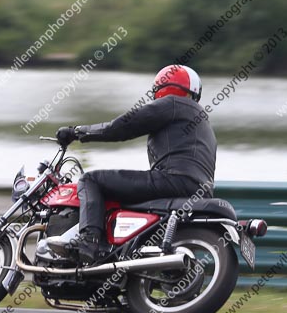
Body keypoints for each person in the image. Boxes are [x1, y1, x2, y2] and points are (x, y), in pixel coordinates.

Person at [55, 65, 217, 264]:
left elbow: (122, 127)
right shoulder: (202, 120)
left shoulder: (172, 104)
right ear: (194, 91)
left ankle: (89, 241)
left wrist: (77, 132)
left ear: (160, 87)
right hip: (200, 190)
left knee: (91, 180)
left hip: (172, 179)